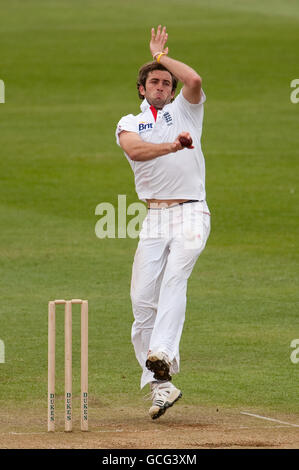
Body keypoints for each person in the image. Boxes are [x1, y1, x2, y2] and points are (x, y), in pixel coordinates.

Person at [115, 25, 211, 420]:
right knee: (141, 303)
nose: (160, 85)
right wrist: (172, 146)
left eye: (164, 82)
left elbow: (195, 78)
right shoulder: (129, 122)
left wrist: (160, 57)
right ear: (142, 89)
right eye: (153, 81)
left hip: (192, 210)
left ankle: (163, 354)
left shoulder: (186, 108)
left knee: (176, 278)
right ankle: (162, 385)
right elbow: (135, 153)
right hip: (154, 216)